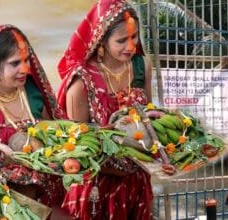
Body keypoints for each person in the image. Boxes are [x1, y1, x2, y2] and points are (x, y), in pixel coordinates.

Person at [57, 0, 153, 219]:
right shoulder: (82, 82)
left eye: (134, 37)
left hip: (137, 182)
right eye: (121, 40)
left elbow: (149, 120)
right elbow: (79, 149)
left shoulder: (141, 66)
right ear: (102, 39)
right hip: (96, 189)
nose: (131, 46)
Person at [0, 24, 70, 219]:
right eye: (15, 62)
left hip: (48, 200)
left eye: (26, 60)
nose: (25, 69)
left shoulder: (33, 92)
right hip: (5, 205)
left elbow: (55, 133)